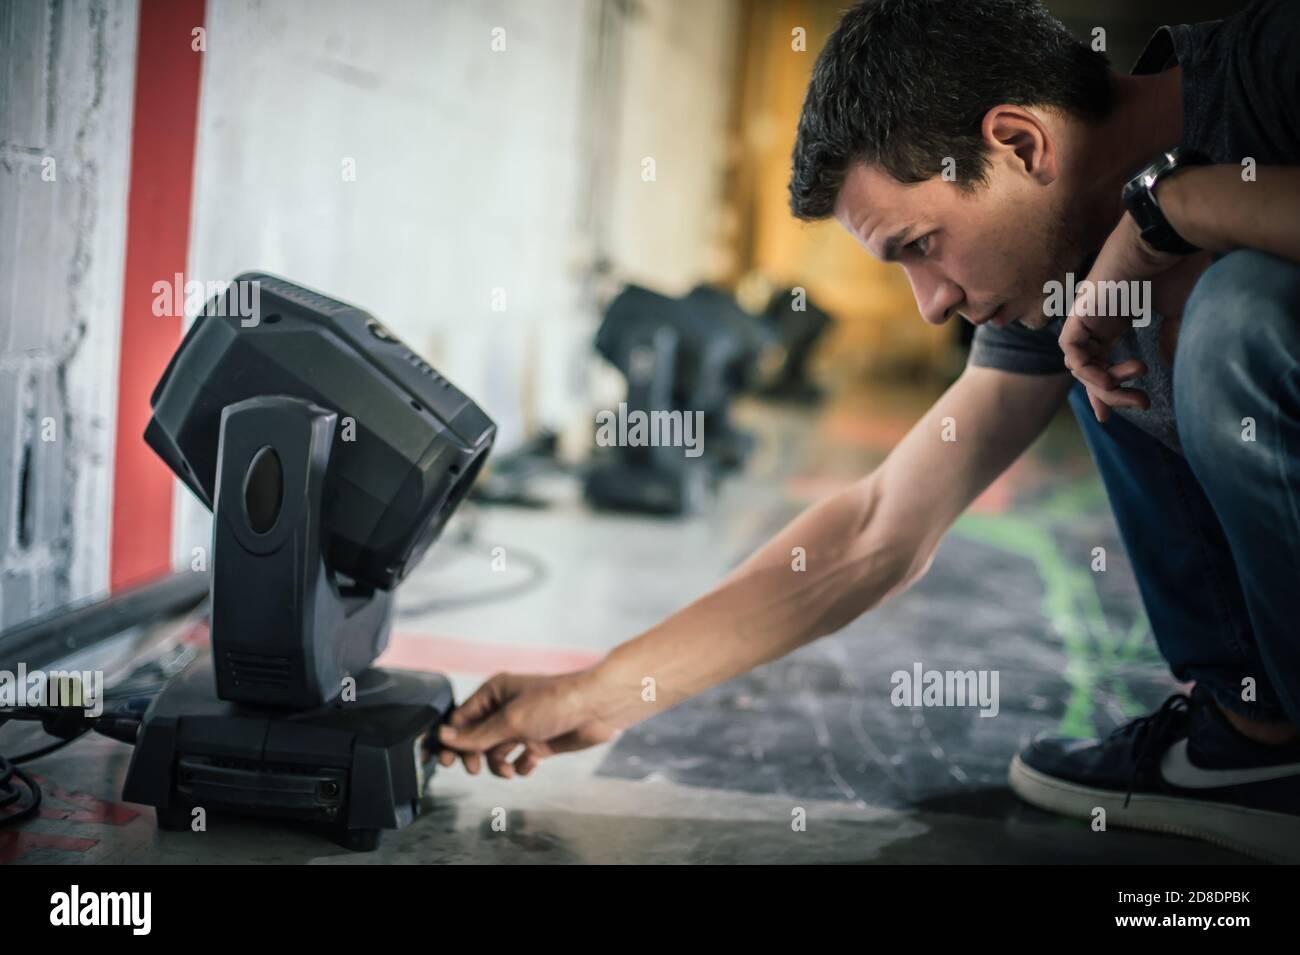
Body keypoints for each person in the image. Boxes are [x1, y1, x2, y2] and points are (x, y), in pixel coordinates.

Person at [437, 0, 1300, 860]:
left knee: (1238, 315)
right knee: (1101, 316)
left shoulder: (1273, 67)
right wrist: (604, 690)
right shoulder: (1056, 254)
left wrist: (1182, 209)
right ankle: (1248, 737)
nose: (930, 308)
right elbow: (880, 525)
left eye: (922, 243)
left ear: (1021, 144)